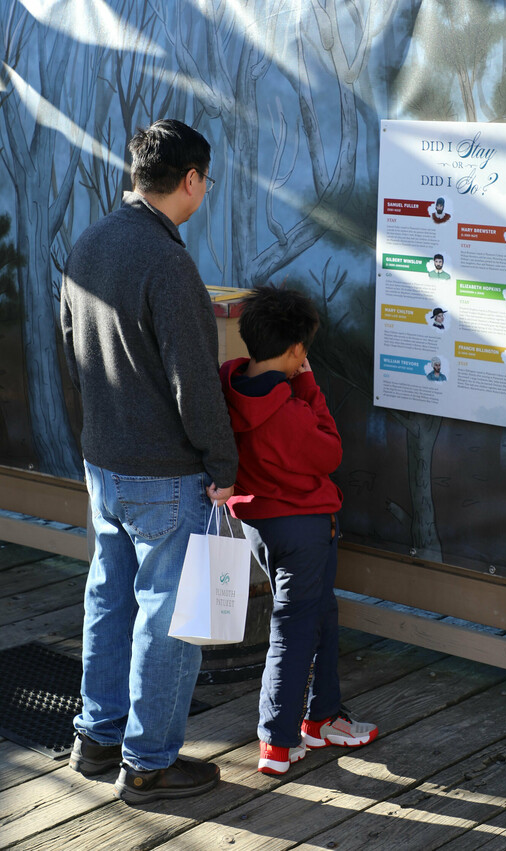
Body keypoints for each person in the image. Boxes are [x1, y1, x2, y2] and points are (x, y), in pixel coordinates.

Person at [61, 119, 238, 805]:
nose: (205, 191)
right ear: (190, 180)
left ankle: (97, 737)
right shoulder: (168, 263)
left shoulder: (89, 242)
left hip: (103, 462)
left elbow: (71, 344)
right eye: (206, 181)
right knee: (167, 615)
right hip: (165, 472)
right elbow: (195, 381)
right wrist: (223, 462)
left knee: (109, 596)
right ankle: (148, 765)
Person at [219, 285, 378, 776]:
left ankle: (322, 716)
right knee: (292, 627)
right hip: (304, 529)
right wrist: (308, 386)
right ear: (295, 350)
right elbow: (329, 451)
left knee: (317, 613)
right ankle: (278, 740)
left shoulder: (226, 387)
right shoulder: (289, 408)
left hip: (259, 524)